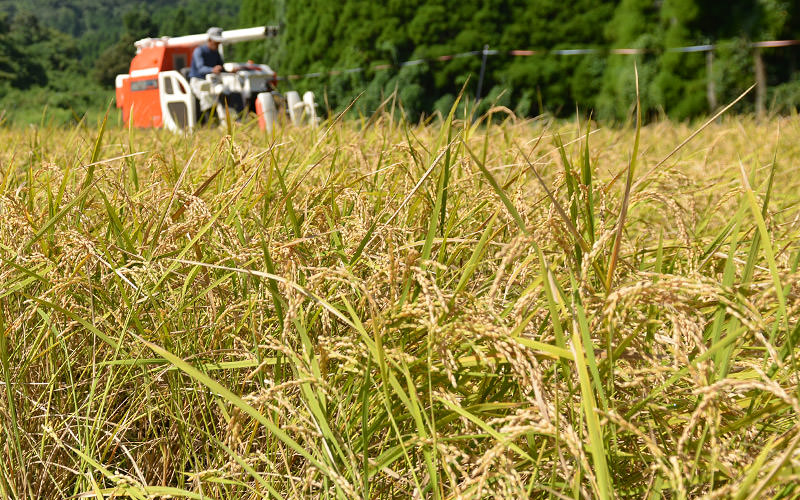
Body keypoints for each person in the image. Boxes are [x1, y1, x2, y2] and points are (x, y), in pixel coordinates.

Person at [189, 27, 241, 122]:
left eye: (219, 42)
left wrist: (230, 71)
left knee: (226, 92)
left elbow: (221, 68)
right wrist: (212, 69)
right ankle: (211, 122)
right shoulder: (199, 51)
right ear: (209, 40)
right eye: (216, 42)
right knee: (207, 96)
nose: (218, 44)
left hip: (213, 81)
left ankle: (229, 119)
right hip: (198, 81)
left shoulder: (216, 53)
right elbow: (201, 68)